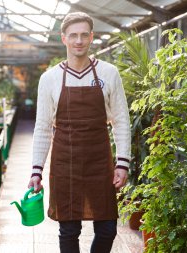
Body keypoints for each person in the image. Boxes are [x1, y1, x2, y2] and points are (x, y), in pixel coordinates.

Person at [28, 12, 131, 253]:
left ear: (92, 37)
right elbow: (42, 127)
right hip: (65, 162)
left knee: (107, 229)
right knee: (69, 231)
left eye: (84, 35)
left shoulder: (108, 73)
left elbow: (122, 121)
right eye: (73, 35)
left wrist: (122, 164)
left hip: (100, 161)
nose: (79, 41)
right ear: (63, 39)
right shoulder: (50, 78)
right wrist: (36, 170)